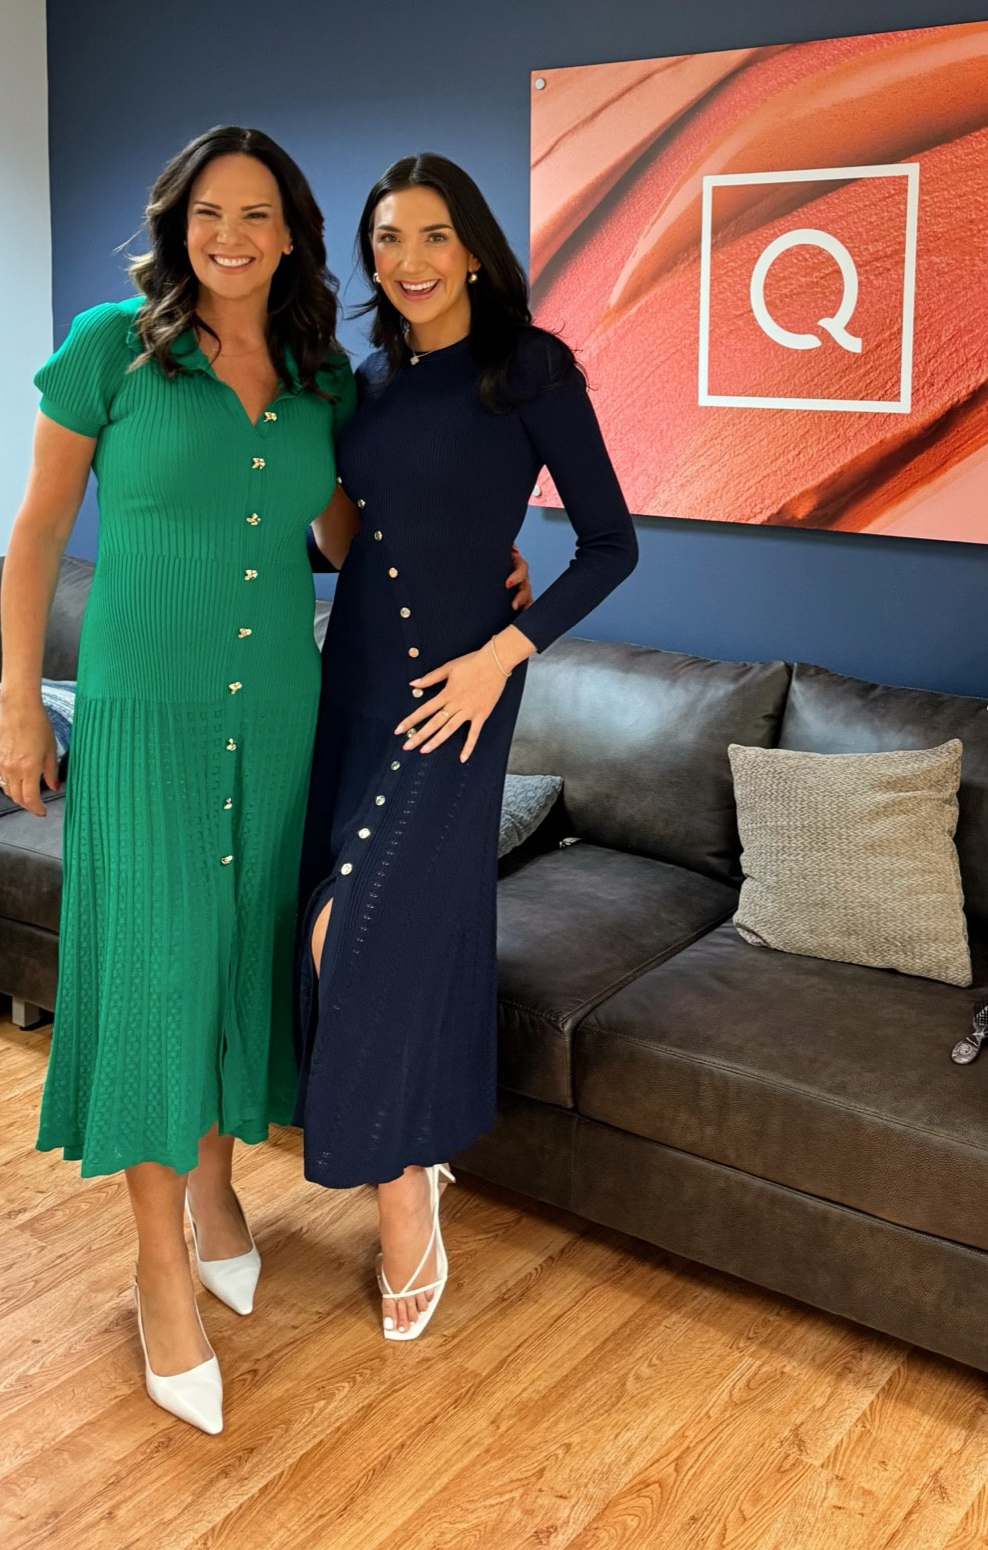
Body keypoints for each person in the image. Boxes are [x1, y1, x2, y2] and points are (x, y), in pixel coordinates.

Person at [0, 124, 352, 1436]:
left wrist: (479, 567)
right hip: (147, 717)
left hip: (281, 718)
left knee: (236, 957)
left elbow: (344, 534)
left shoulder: (321, 375)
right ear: (176, 222)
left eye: (259, 214)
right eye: (212, 212)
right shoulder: (111, 349)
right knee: (156, 973)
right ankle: (159, 1271)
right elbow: (35, 533)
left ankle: (213, 1192)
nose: (233, 237)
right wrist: (23, 704)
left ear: (292, 233)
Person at [297, 152, 638, 1340]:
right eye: (387, 239)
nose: (408, 260)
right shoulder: (364, 379)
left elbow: (610, 543)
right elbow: (348, 543)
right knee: (355, 928)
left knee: (359, 928)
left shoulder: (527, 368)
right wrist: (279, 475)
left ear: (475, 248)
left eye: (432, 235)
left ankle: (403, 1201)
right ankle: (421, 1150)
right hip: (352, 686)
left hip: (456, 697)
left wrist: (507, 649)